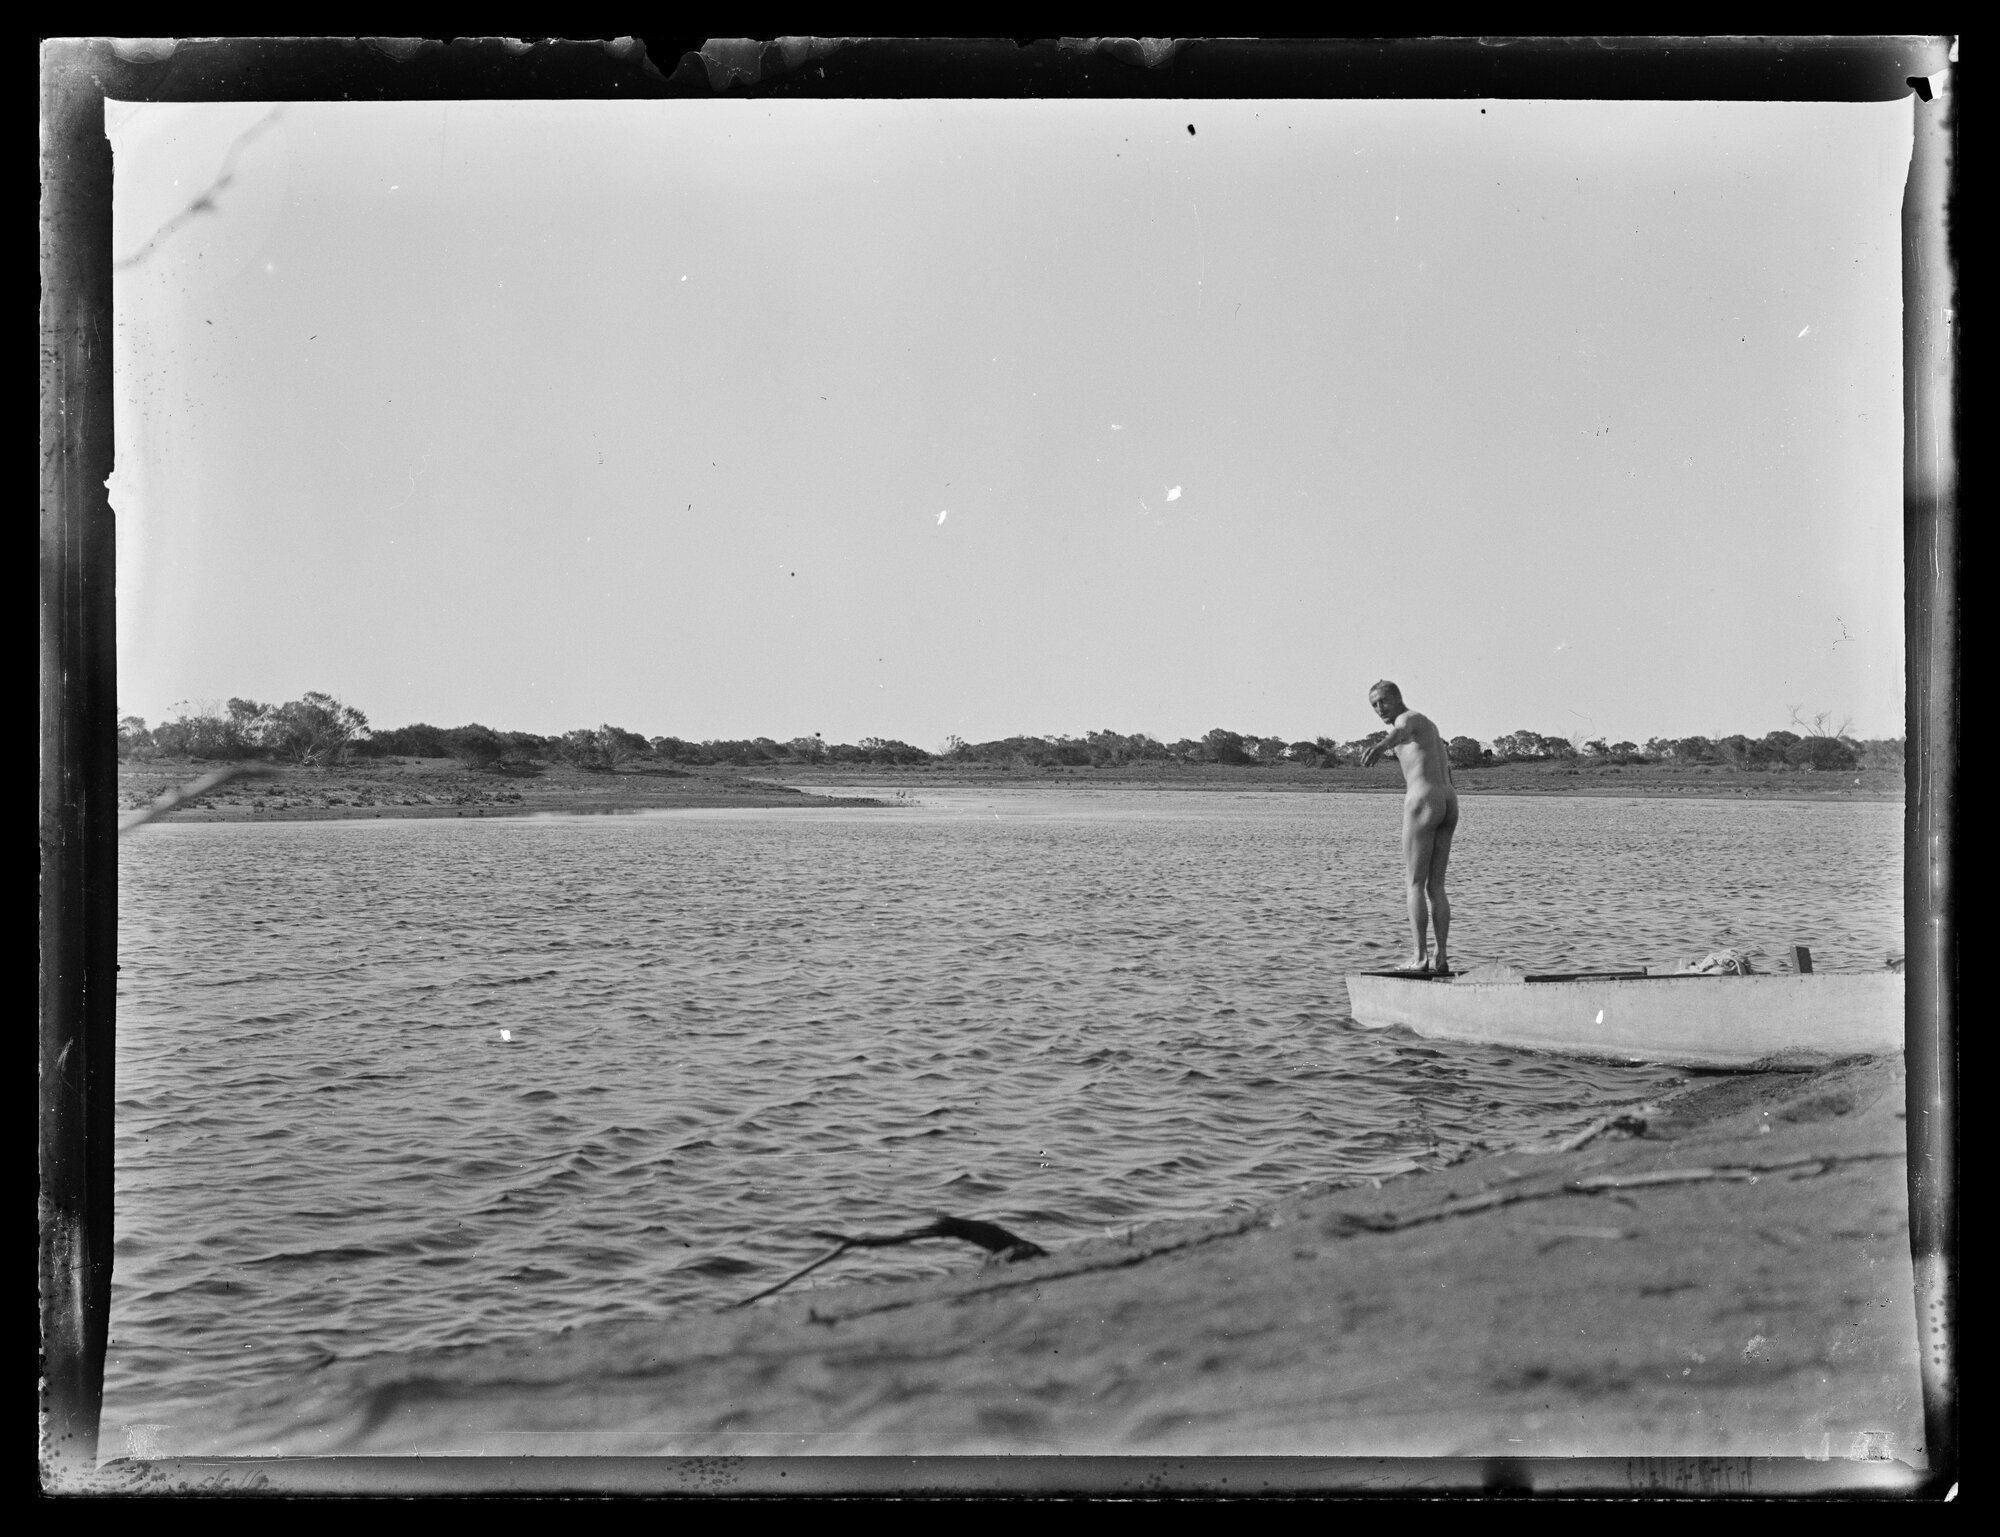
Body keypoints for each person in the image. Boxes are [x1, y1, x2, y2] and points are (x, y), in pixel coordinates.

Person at [1360, 680, 1459, 975]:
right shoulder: (1429, 725)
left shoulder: (1408, 718)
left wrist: (1380, 747)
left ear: (1398, 698)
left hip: (1423, 799)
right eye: (1374, 705)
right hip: (1448, 800)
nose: (1379, 709)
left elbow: (1400, 732)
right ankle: (1441, 957)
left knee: (1415, 883)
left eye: (1383, 701)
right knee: (1436, 885)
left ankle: (1420, 958)